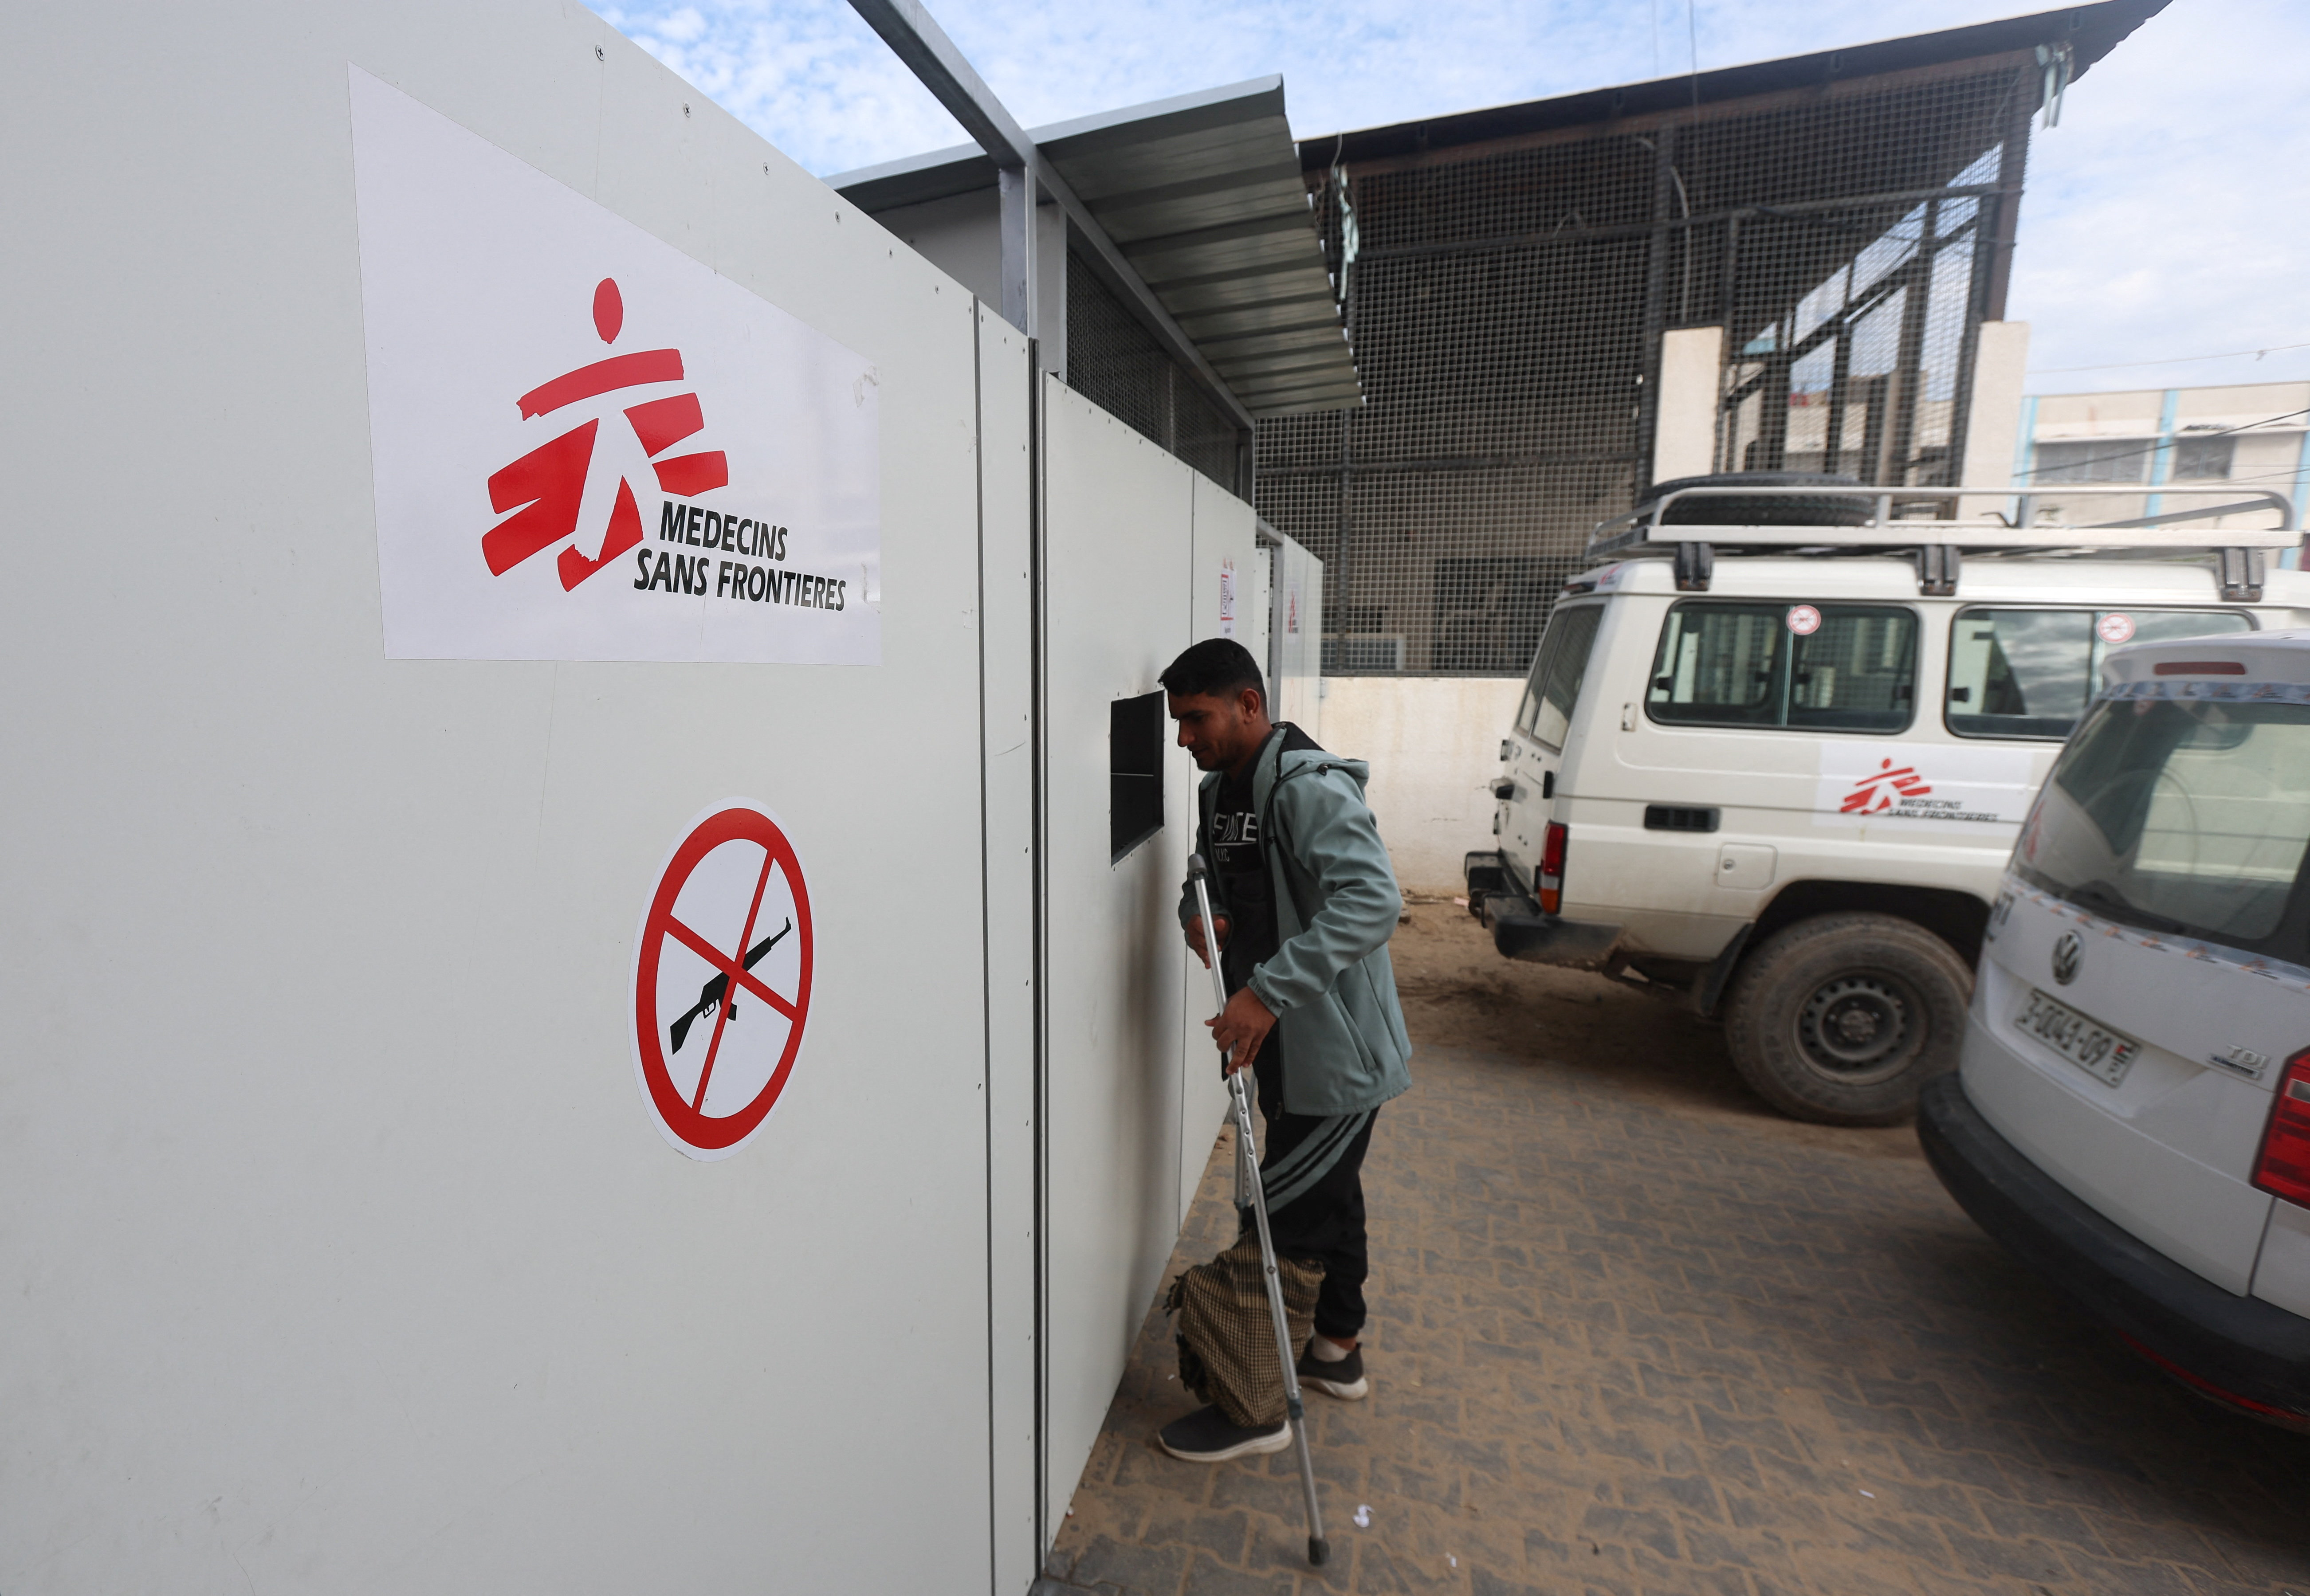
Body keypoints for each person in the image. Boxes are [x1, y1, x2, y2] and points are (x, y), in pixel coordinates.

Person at [1155, 637, 1413, 1464]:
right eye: (1177, 722)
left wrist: (1265, 992)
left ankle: (1255, 1408)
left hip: (1335, 1058)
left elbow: (1373, 901)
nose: (1184, 738)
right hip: (1283, 1055)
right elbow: (1210, 879)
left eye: (1197, 719)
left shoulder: (1306, 787)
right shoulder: (1218, 791)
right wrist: (1200, 916)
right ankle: (1336, 1349)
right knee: (1327, 1196)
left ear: (1249, 706)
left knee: (1283, 1218)